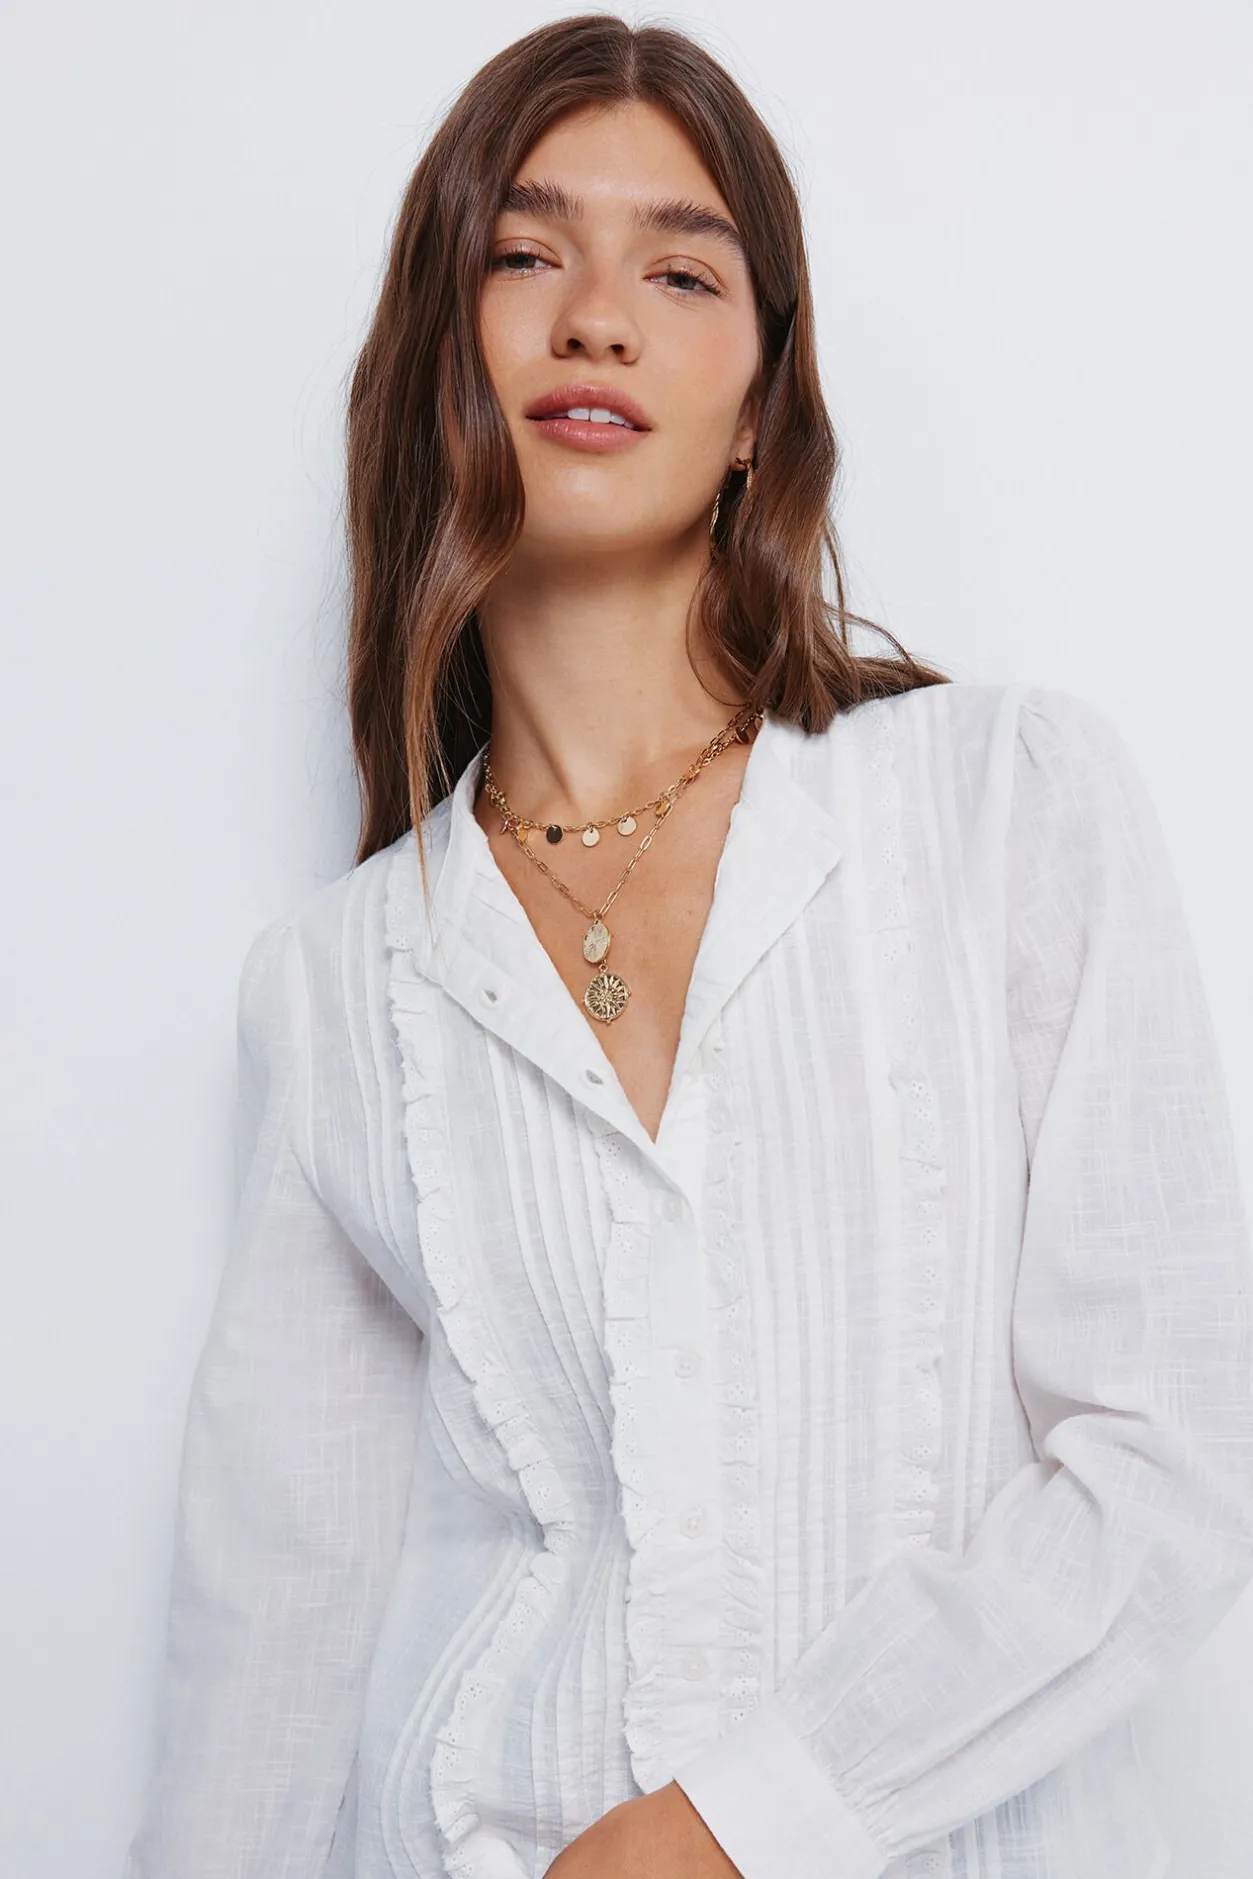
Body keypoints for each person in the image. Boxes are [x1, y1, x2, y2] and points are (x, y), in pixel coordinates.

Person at [123, 14, 1253, 1879]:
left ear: (761, 404)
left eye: (679, 269)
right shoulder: (332, 987)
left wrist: (731, 1824)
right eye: (525, 254)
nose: (596, 317)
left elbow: (1173, 1453)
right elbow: (274, 1634)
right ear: (438, 363)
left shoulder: (1006, 804)